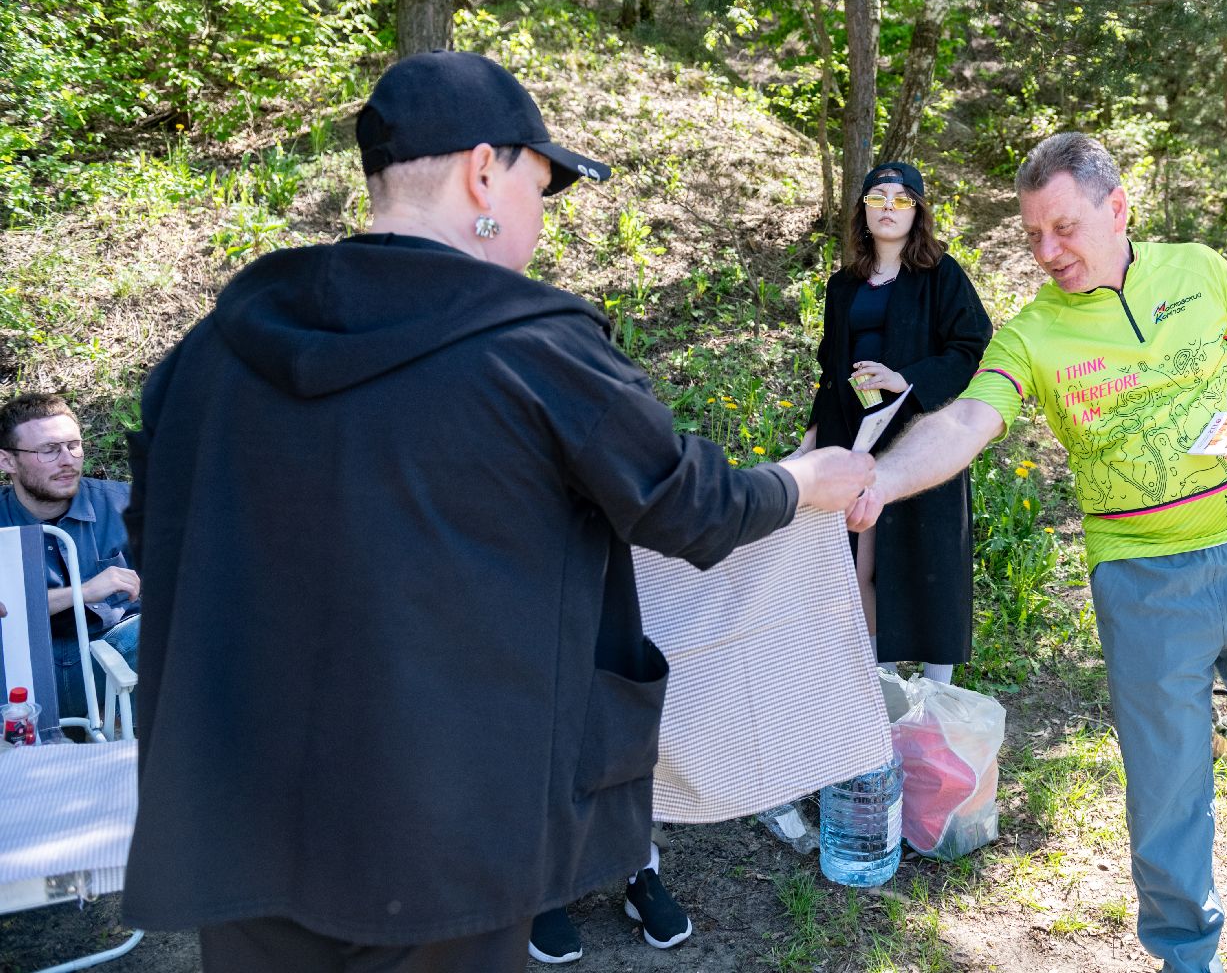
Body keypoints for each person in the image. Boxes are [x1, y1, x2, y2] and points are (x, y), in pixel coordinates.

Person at [120, 50, 874, 973]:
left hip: (240, 815)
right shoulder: (533, 350)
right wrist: (806, 481)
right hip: (449, 825)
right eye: (541, 187)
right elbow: (686, 505)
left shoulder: (207, 358)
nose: (538, 222)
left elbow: (157, 547)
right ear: (487, 169)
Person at [847, 133, 1227, 973]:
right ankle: (1185, 958)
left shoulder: (1200, 270)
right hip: (1139, 581)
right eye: (1032, 236)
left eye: (1062, 229)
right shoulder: (1032, 335)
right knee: (1168, 796)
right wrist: (880, 476)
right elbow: (965, 422)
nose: (1046, 253)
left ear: (1118, 206)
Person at [797, 162, 990, 683]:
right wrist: (812, 440)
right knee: (859, 553)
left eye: (902, 199)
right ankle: (874, 684)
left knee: (929, 556)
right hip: (852, 435)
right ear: (861, 209)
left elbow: (971, 347)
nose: (888, 206)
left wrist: (905, 379)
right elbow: (829, 368)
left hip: (921, 433)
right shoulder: (844, 285)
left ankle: (937, 693)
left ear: (918, 212)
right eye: (877, 196)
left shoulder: (941, 275)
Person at [0, 393, 140, 722]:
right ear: (7, 461)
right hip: (18, 664)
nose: (68, 460)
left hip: (107, 648)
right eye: (49, 450)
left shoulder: (124, 503)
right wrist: (84, 591)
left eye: (73, 445)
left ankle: (131, 741)